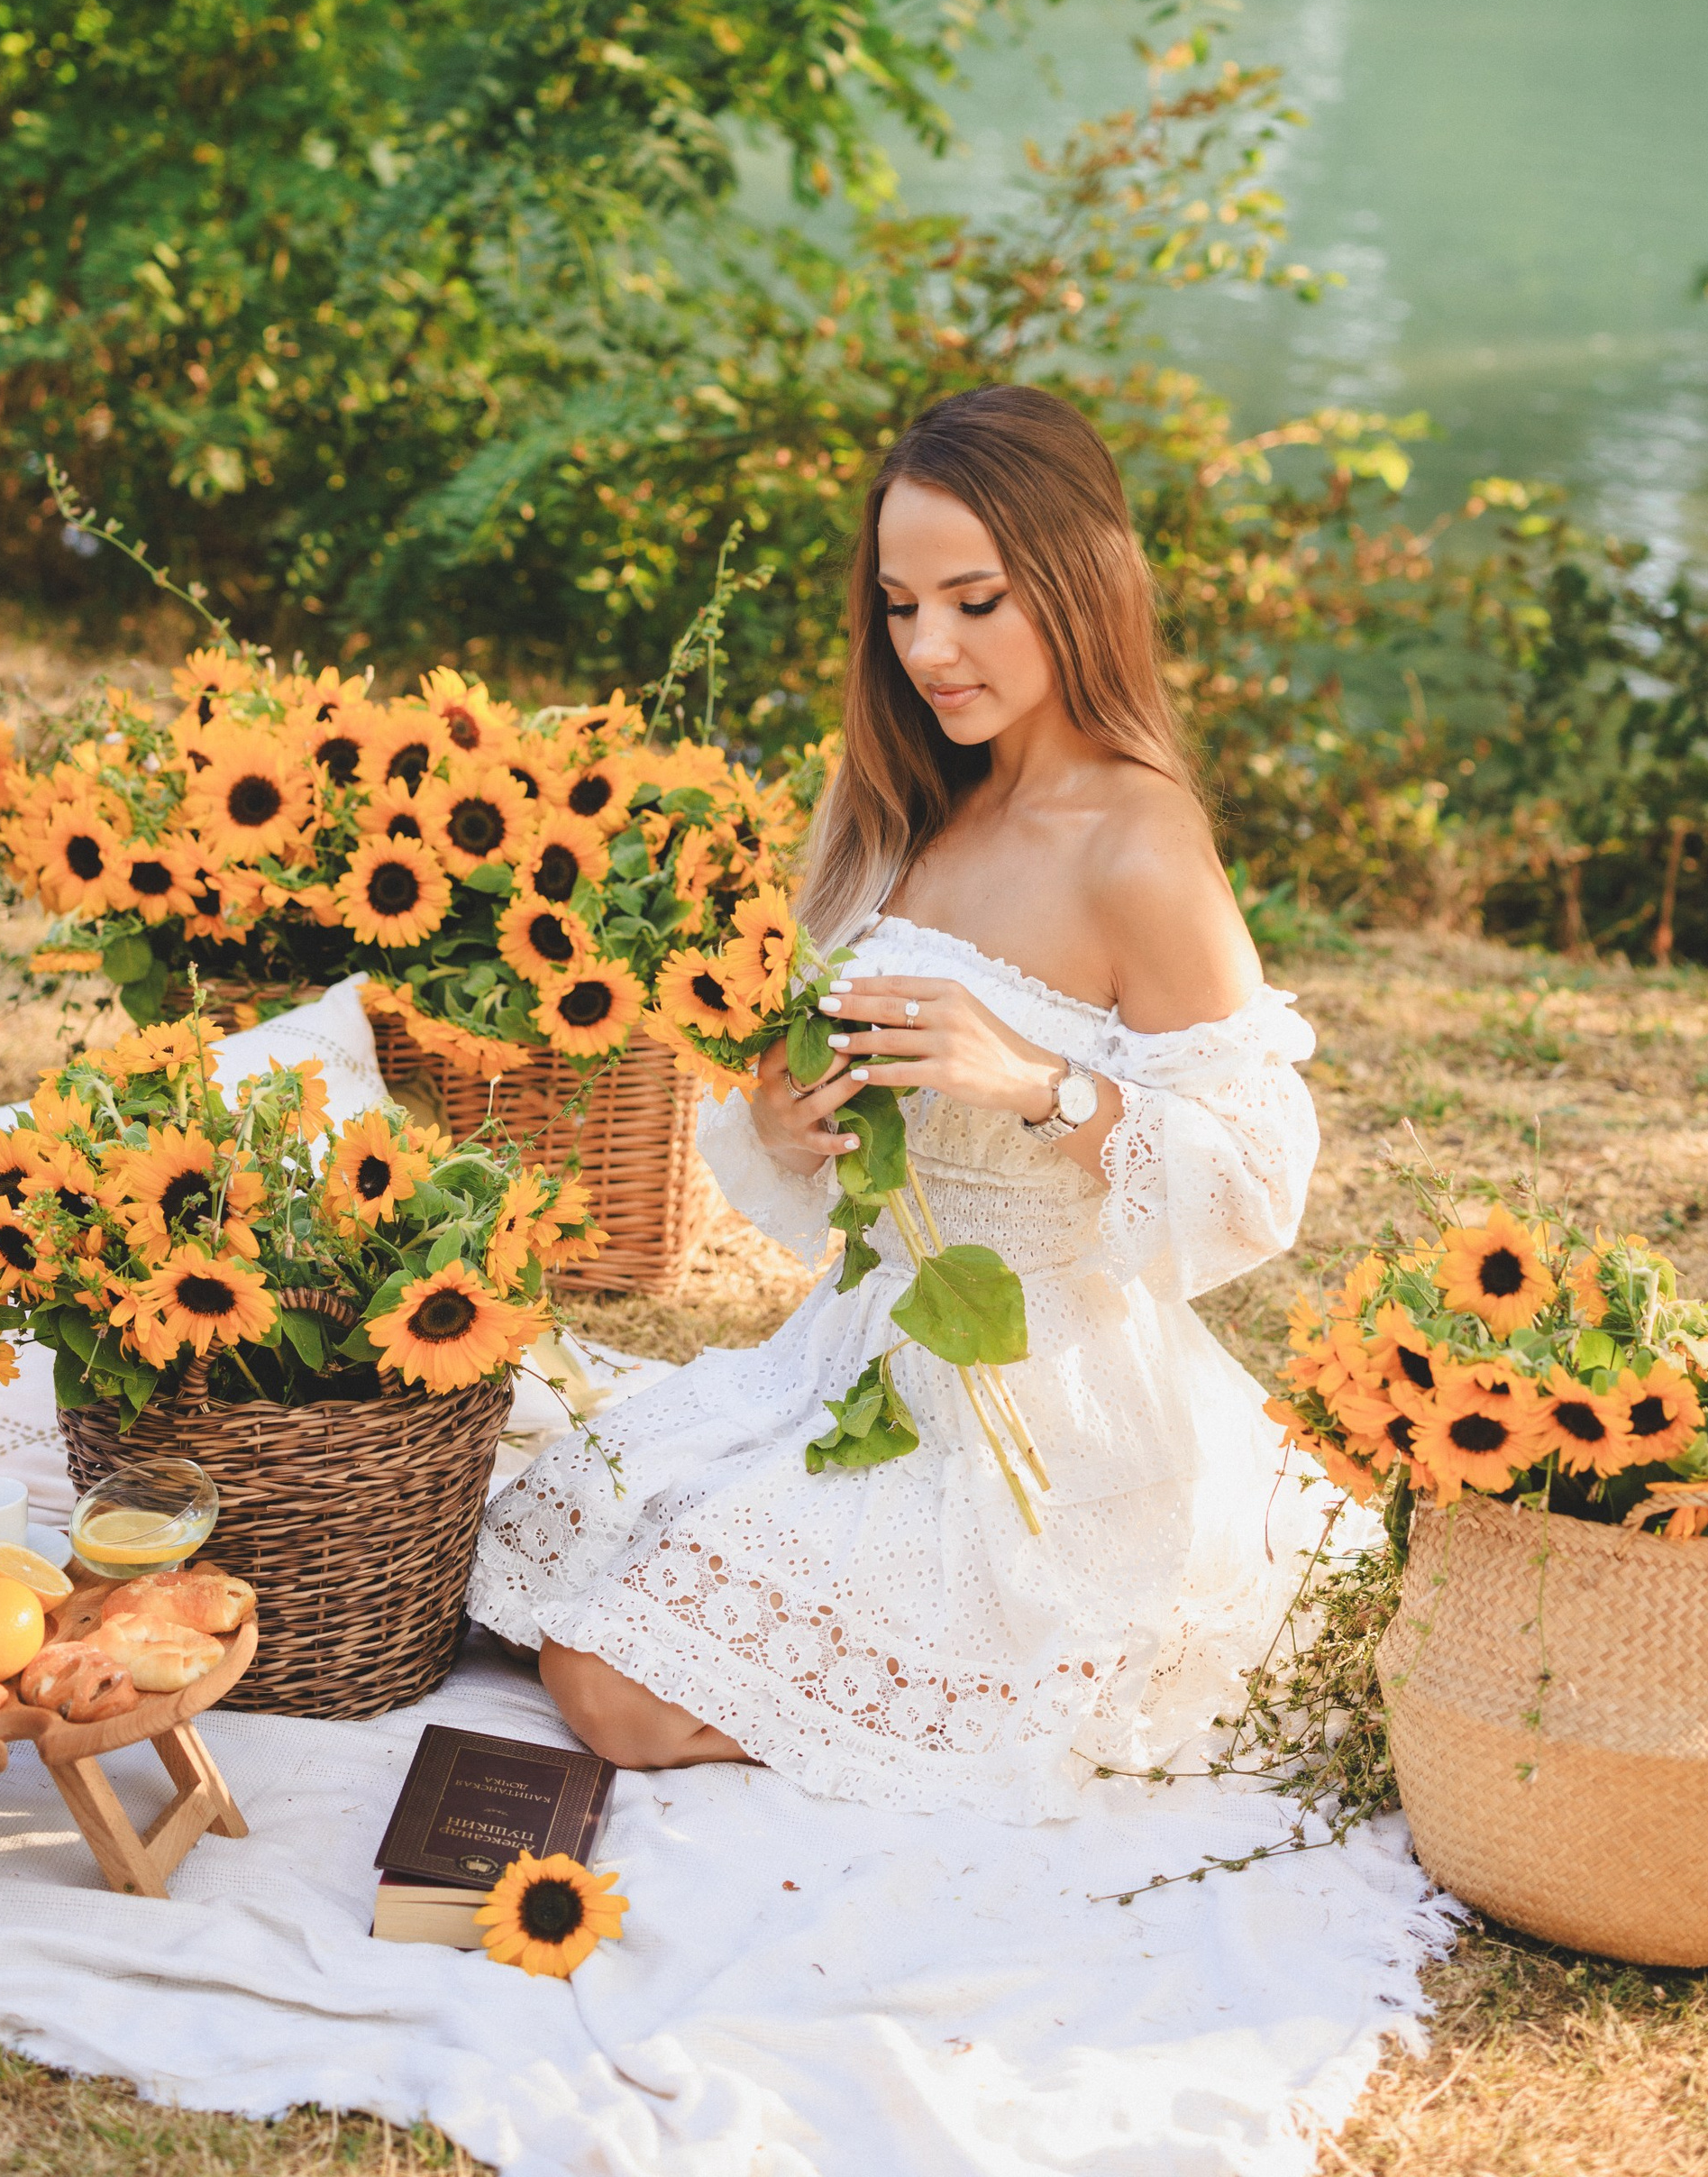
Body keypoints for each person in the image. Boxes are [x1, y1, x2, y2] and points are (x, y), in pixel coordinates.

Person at [467, 381, 1334, 1822]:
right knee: (520, 1547)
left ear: (1079, 583)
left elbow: (1259, 1174)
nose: (929, 649)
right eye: (900, 605)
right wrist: (791, 1115)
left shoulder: (1138, 840)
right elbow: (805, 1146)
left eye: (977, 600)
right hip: (860, 1351)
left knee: (607, 1686)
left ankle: (1013, 1676)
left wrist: (1045, 1084)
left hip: (1039, 1403)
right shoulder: (900, 807)